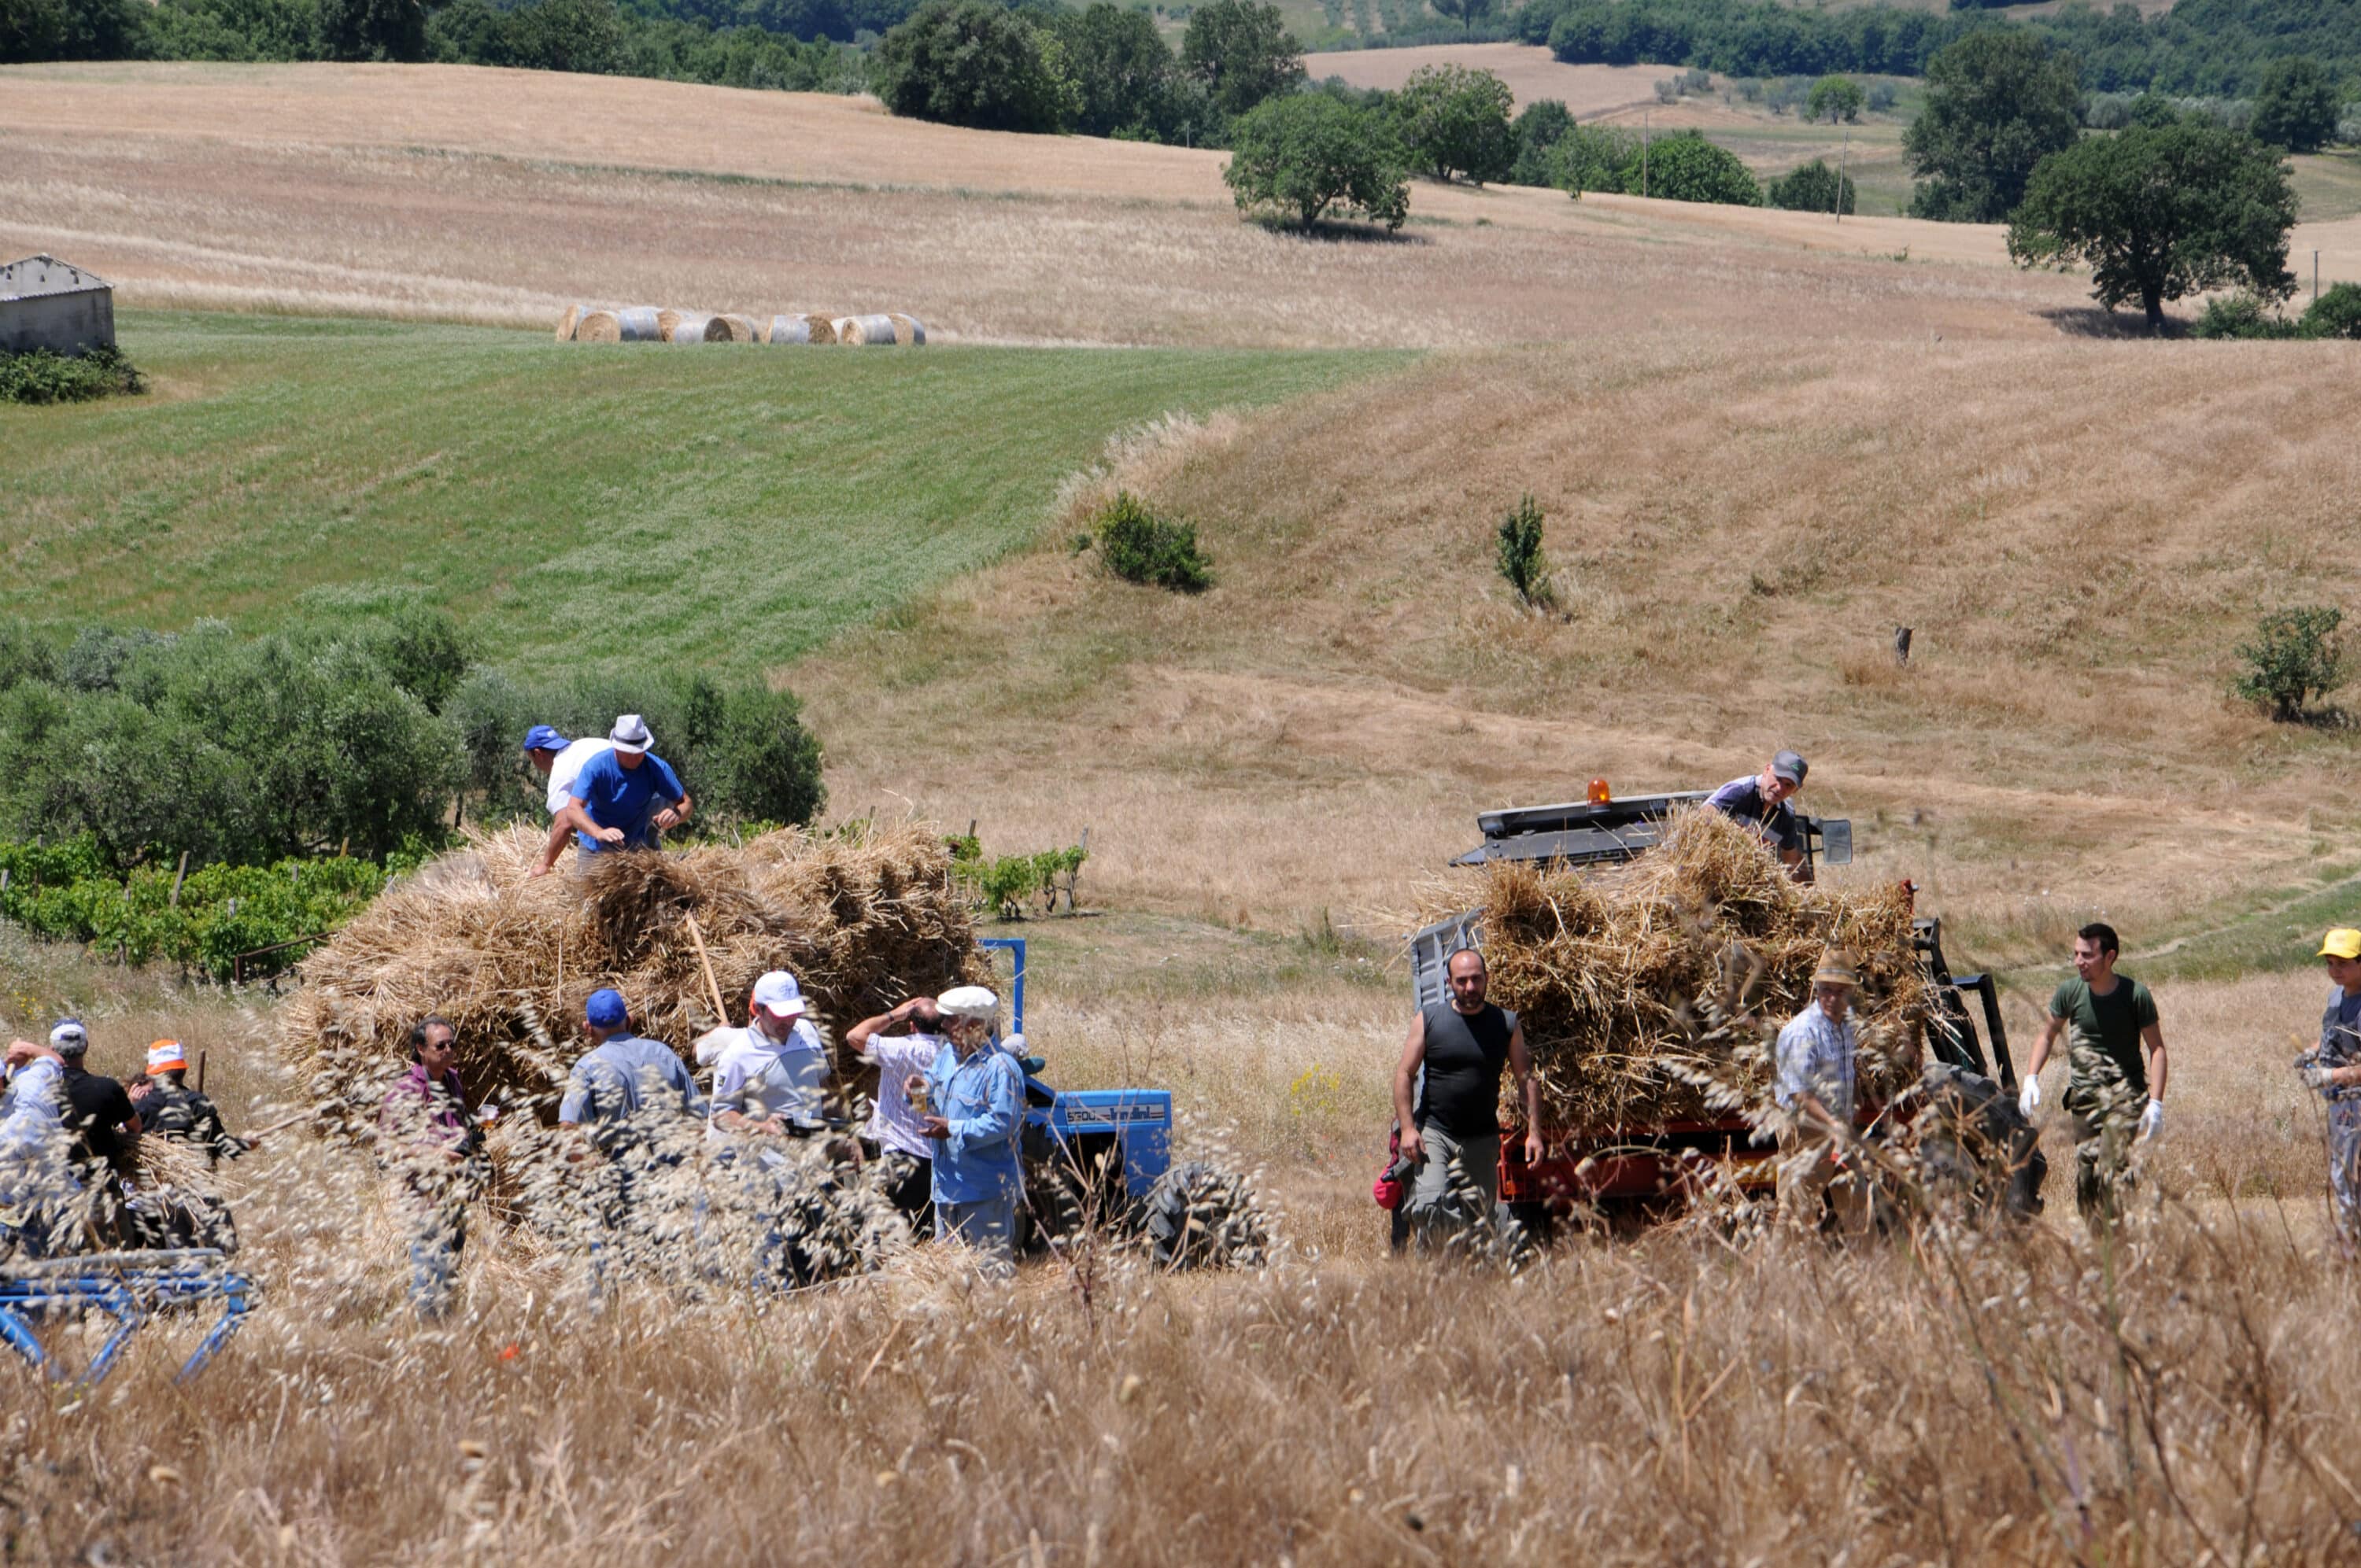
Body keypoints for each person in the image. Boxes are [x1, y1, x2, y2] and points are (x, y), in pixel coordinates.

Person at [2018, 922, 2167, 1229]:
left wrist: (2156, 1104)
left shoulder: (2135, 995)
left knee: (2112, 1166)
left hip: (2125, 1099)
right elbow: (2047, 1035)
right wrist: (2031, 1077)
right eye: (2075, 954)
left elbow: (2157, 1049)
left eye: (2086, 955)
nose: (2078, 962)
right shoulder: (2070, 992)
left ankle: (2119, 1242)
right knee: (2087, 1177)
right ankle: (2098, 1242)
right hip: (2084, 1100)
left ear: (2109, 956)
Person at [1392, 948, 1542, 1250]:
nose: (1470, 988)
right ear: (1449, 982)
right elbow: (1405, 1074)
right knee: (1431, 1206)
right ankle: (1432, 1271)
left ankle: (1473, 1281)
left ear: (1487, 979)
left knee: (1480, 1223)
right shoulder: (1430, 1019)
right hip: (1435, 1132)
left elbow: (1526, 1078)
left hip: (1481, 1137)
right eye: (1462, 981)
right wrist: (1408, 1129)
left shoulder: (1505, 1024)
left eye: (1476, 979)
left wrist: (1534, 1133)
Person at [377, 1016, 483, 1321]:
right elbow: (386, 1149)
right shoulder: (406, 1090)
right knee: (427, 1276)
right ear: (421, 1049)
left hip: (456, 1194)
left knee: (449, 1273)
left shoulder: (452, 1080)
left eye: (452, 1044)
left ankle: (445, 1340)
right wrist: (435, 1154)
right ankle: (424, 1340)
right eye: (441, 1045)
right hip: (425, 1198)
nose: (449, 1050)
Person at [915, 986, 1025, 1275]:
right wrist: (918, 1089)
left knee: (990, 1278)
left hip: (983, 1194)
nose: (944, 1025)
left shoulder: (1001, 1068)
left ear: (975, 1024)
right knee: (951, 1278)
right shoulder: (948, 1057)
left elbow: (1003, 1123)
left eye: (951, 1020)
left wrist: (952, 1129)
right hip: (946, 1190)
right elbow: (930, 1084)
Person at [1774, 951, 1871, 1237]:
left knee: (1859, 1206)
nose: (1832, 997)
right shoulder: (1802, 1032)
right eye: (1826, 990)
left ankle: (1871, 1270)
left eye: (1839, 991)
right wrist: (1831, 1123)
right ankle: (1775, 1274)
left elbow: (1846, 1066)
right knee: (1795, 1214)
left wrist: (1855, 1099)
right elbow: (1798, 1093)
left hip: (1840, 1130)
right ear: (1817, 990)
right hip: (1808, 1133)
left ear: (1851, 993)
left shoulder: (1846, 1026)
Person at [536, 715, 692, 875]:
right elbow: (573, 809)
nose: (634, 757)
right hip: (595, 845)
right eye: (628, 752)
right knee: (585, 896)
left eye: (639, 751)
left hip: (636, 844)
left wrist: (677, 814)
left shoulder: (657, 768)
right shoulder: (596, 766)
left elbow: (686, 803)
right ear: (616, 747)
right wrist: (599, 832)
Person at [845, 993, 948, 1233]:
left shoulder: (901, 1049)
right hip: (939, 1158)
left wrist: (894, 1015)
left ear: (911, 1024)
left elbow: (854, 1035)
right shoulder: (953, 1054)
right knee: (926, 1233)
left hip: (902, 1155)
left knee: (890, 1232)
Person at [696, 971, 829, 1139]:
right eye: (780, 1015)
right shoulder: (739, 1054)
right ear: (758, 1010)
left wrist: (843, 1135)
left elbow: (823, 1087)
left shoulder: (807, 1032)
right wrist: (761, 1127)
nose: (788, 1021)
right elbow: (721, 1114)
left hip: (814, 1158)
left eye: (793, 1013)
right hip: (769, 1161)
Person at [2301, 928, 2361, 1253]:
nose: (2335, 970)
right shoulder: (2336, 997)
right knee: (2342, 1175)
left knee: (2352, 1176)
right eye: (2330, 962)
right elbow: (2331, 1037)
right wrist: (2312, 1053)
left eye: (2344, 963)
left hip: (2358, 1104)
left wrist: (2329, 1074)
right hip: (2340, 1104)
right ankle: (2351, 1246)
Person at [0, 1038, 81, 1258]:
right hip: (35, 1211)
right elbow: (52, 1059)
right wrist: (28, 1049)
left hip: (48, 1213)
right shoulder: (31, 1089)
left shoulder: (28, 1106)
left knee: (49, 1280)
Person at [137, 1040, 255, 1167]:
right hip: (194, 1183)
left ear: (151, 1074)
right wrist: (246, 1143)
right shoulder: (198, 1103)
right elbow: (221, 1147)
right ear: (183, 1070)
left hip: (150, 1184)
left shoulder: (140, 1106)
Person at [50, 1020, 141, 1184]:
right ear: (85, 1047)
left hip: (56, 1187)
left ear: (52, 1050)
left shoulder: (41, 1090)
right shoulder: (107, 1088)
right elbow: (135, 1127)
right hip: (101, 1185)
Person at [1706, 751, 1813, 882]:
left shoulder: (1786, 816)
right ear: (1767, 770)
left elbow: (1793, 861)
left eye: (1788, 785)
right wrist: (1741, 838)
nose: (1779, 788)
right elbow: (1704, 815)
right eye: (1778, 778)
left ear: (1795, 791)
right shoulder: (1741, 791)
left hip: (1746, 883)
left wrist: (1811, 895)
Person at [523, 725, 610, 880]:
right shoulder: (582, 745)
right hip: (649, 793)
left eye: (531, 760)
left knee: (587, 883)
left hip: (623, 797)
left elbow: (564, 823)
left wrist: (546, 864)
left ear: (537, 753)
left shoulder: (560, 772)